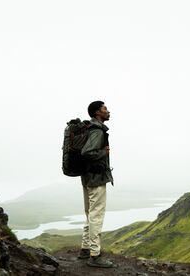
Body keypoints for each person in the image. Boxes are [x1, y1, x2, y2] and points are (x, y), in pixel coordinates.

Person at [77, 101, 115, 268]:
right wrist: (103, 152)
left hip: (87, 177)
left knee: (90, 214)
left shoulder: (90, 129)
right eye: (105, 109)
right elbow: (87, 152)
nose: (108, 111)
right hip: (96, 178)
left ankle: (85, 249)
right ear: (97, 113)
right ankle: (95, 255)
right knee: (96, 216)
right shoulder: (97, 130)